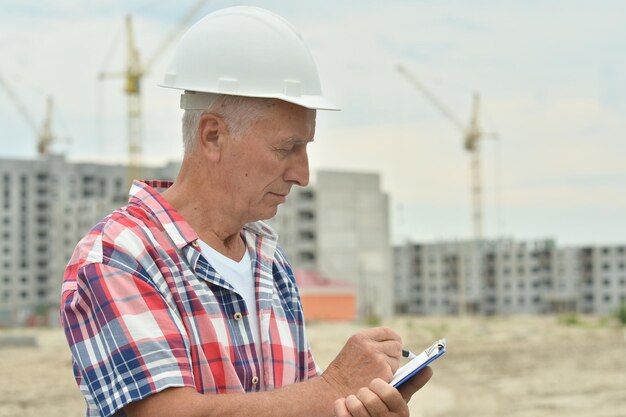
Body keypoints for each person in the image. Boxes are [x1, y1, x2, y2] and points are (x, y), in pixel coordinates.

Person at [60, 6, 432, 417]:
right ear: (214, 135)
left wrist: (349, 407)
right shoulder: (119, 255)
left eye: (305, 147)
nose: (302, 174)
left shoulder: (268, 262)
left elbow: (296, 406)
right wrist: (335, 386)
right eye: (286, 148)